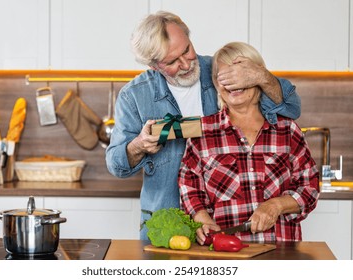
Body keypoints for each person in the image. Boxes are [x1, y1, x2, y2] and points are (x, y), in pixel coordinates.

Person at [105, 11, 301, 240]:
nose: (186, 64)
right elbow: (116, 165)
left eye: (187, 50)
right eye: (172, 62)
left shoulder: (219, 70)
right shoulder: (134, 95)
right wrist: (139, 145)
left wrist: (262, 76)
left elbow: (290, 108)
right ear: (154, 65)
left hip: (224, 224)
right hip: (167, 224)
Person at [178, 42, 319, 244]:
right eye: (224, 77)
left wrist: (276, 205)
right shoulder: (202, 132)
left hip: (280, 255)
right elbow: (189, 185)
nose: (233, 84)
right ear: (217, 84)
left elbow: (309, 187)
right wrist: (201, 217)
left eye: (240, 75)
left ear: (257, 76)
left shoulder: (287, 130)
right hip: (224, 256)